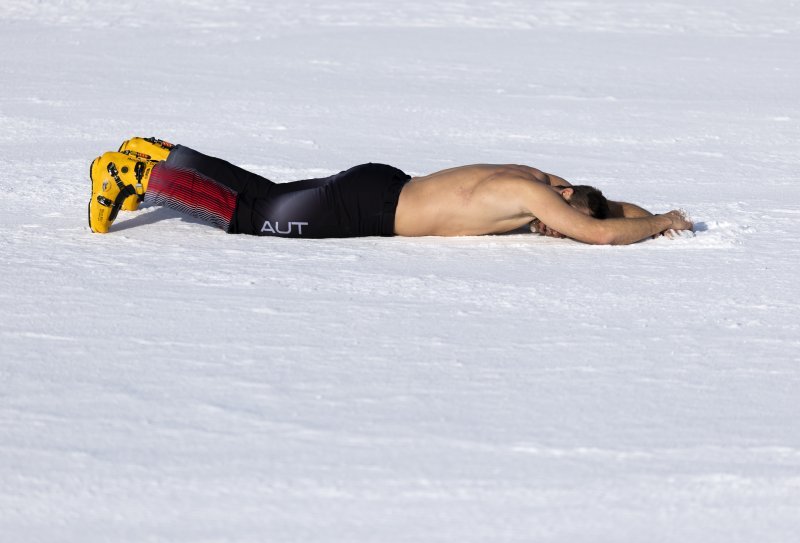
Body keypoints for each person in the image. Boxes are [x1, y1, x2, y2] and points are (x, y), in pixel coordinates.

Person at [88, 137, 692, 244]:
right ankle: (135, 176)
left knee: (266, 193)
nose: (545, 230)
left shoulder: (540, 178)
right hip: (366, 208)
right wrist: (663, 218)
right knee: (253, 216)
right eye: (551, 226)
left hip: (384, 184)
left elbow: (607, 209)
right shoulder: (538, 197)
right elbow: (604, 231)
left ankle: (159, 153)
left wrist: (653, 214)